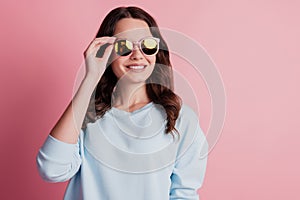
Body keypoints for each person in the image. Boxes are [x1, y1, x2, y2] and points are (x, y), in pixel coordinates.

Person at [36, 6, 208, 200]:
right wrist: (91, 77)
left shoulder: (181, 118)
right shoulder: (86, 115)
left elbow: (184, 194)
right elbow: (51, 169)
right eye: (124, 46)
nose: (137, 54)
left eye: (147, 45)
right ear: (107, 52)